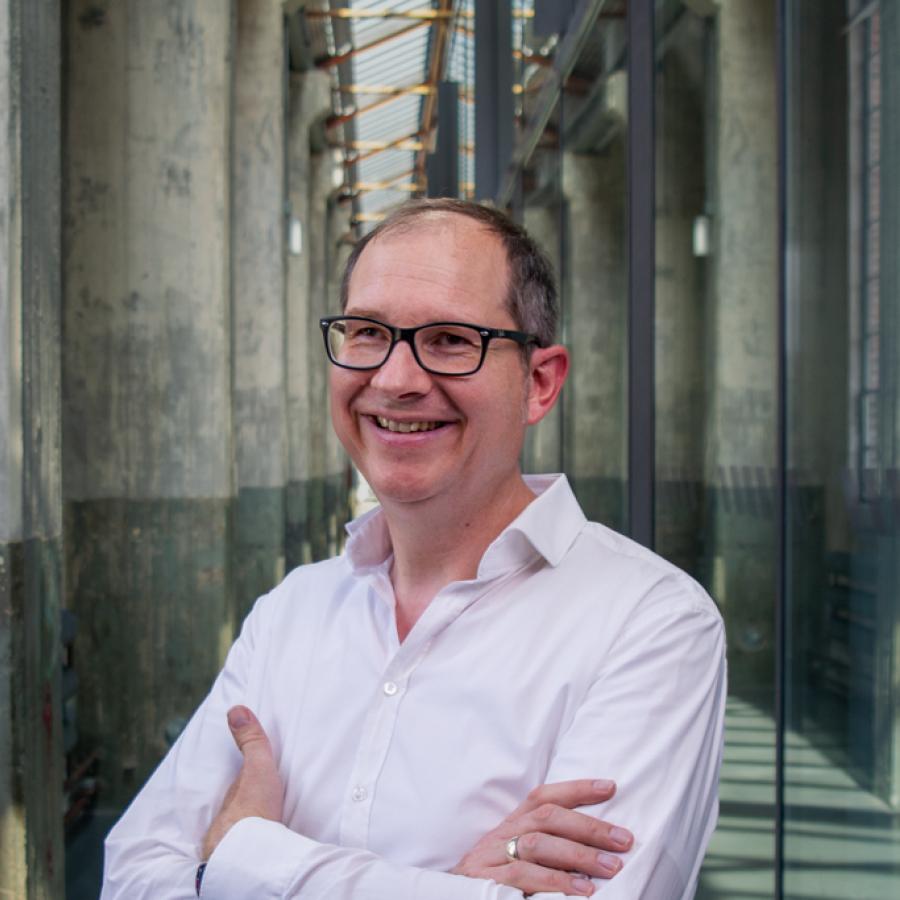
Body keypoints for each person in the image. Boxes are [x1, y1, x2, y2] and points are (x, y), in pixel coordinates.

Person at [101, 199, 726, 899]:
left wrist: (244, 861)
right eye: (367, 332)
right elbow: (133, 875)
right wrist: (456, 887)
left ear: (539, 382)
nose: (395, 379)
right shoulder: (290, 613)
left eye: (452, 339)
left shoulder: (650, 623)